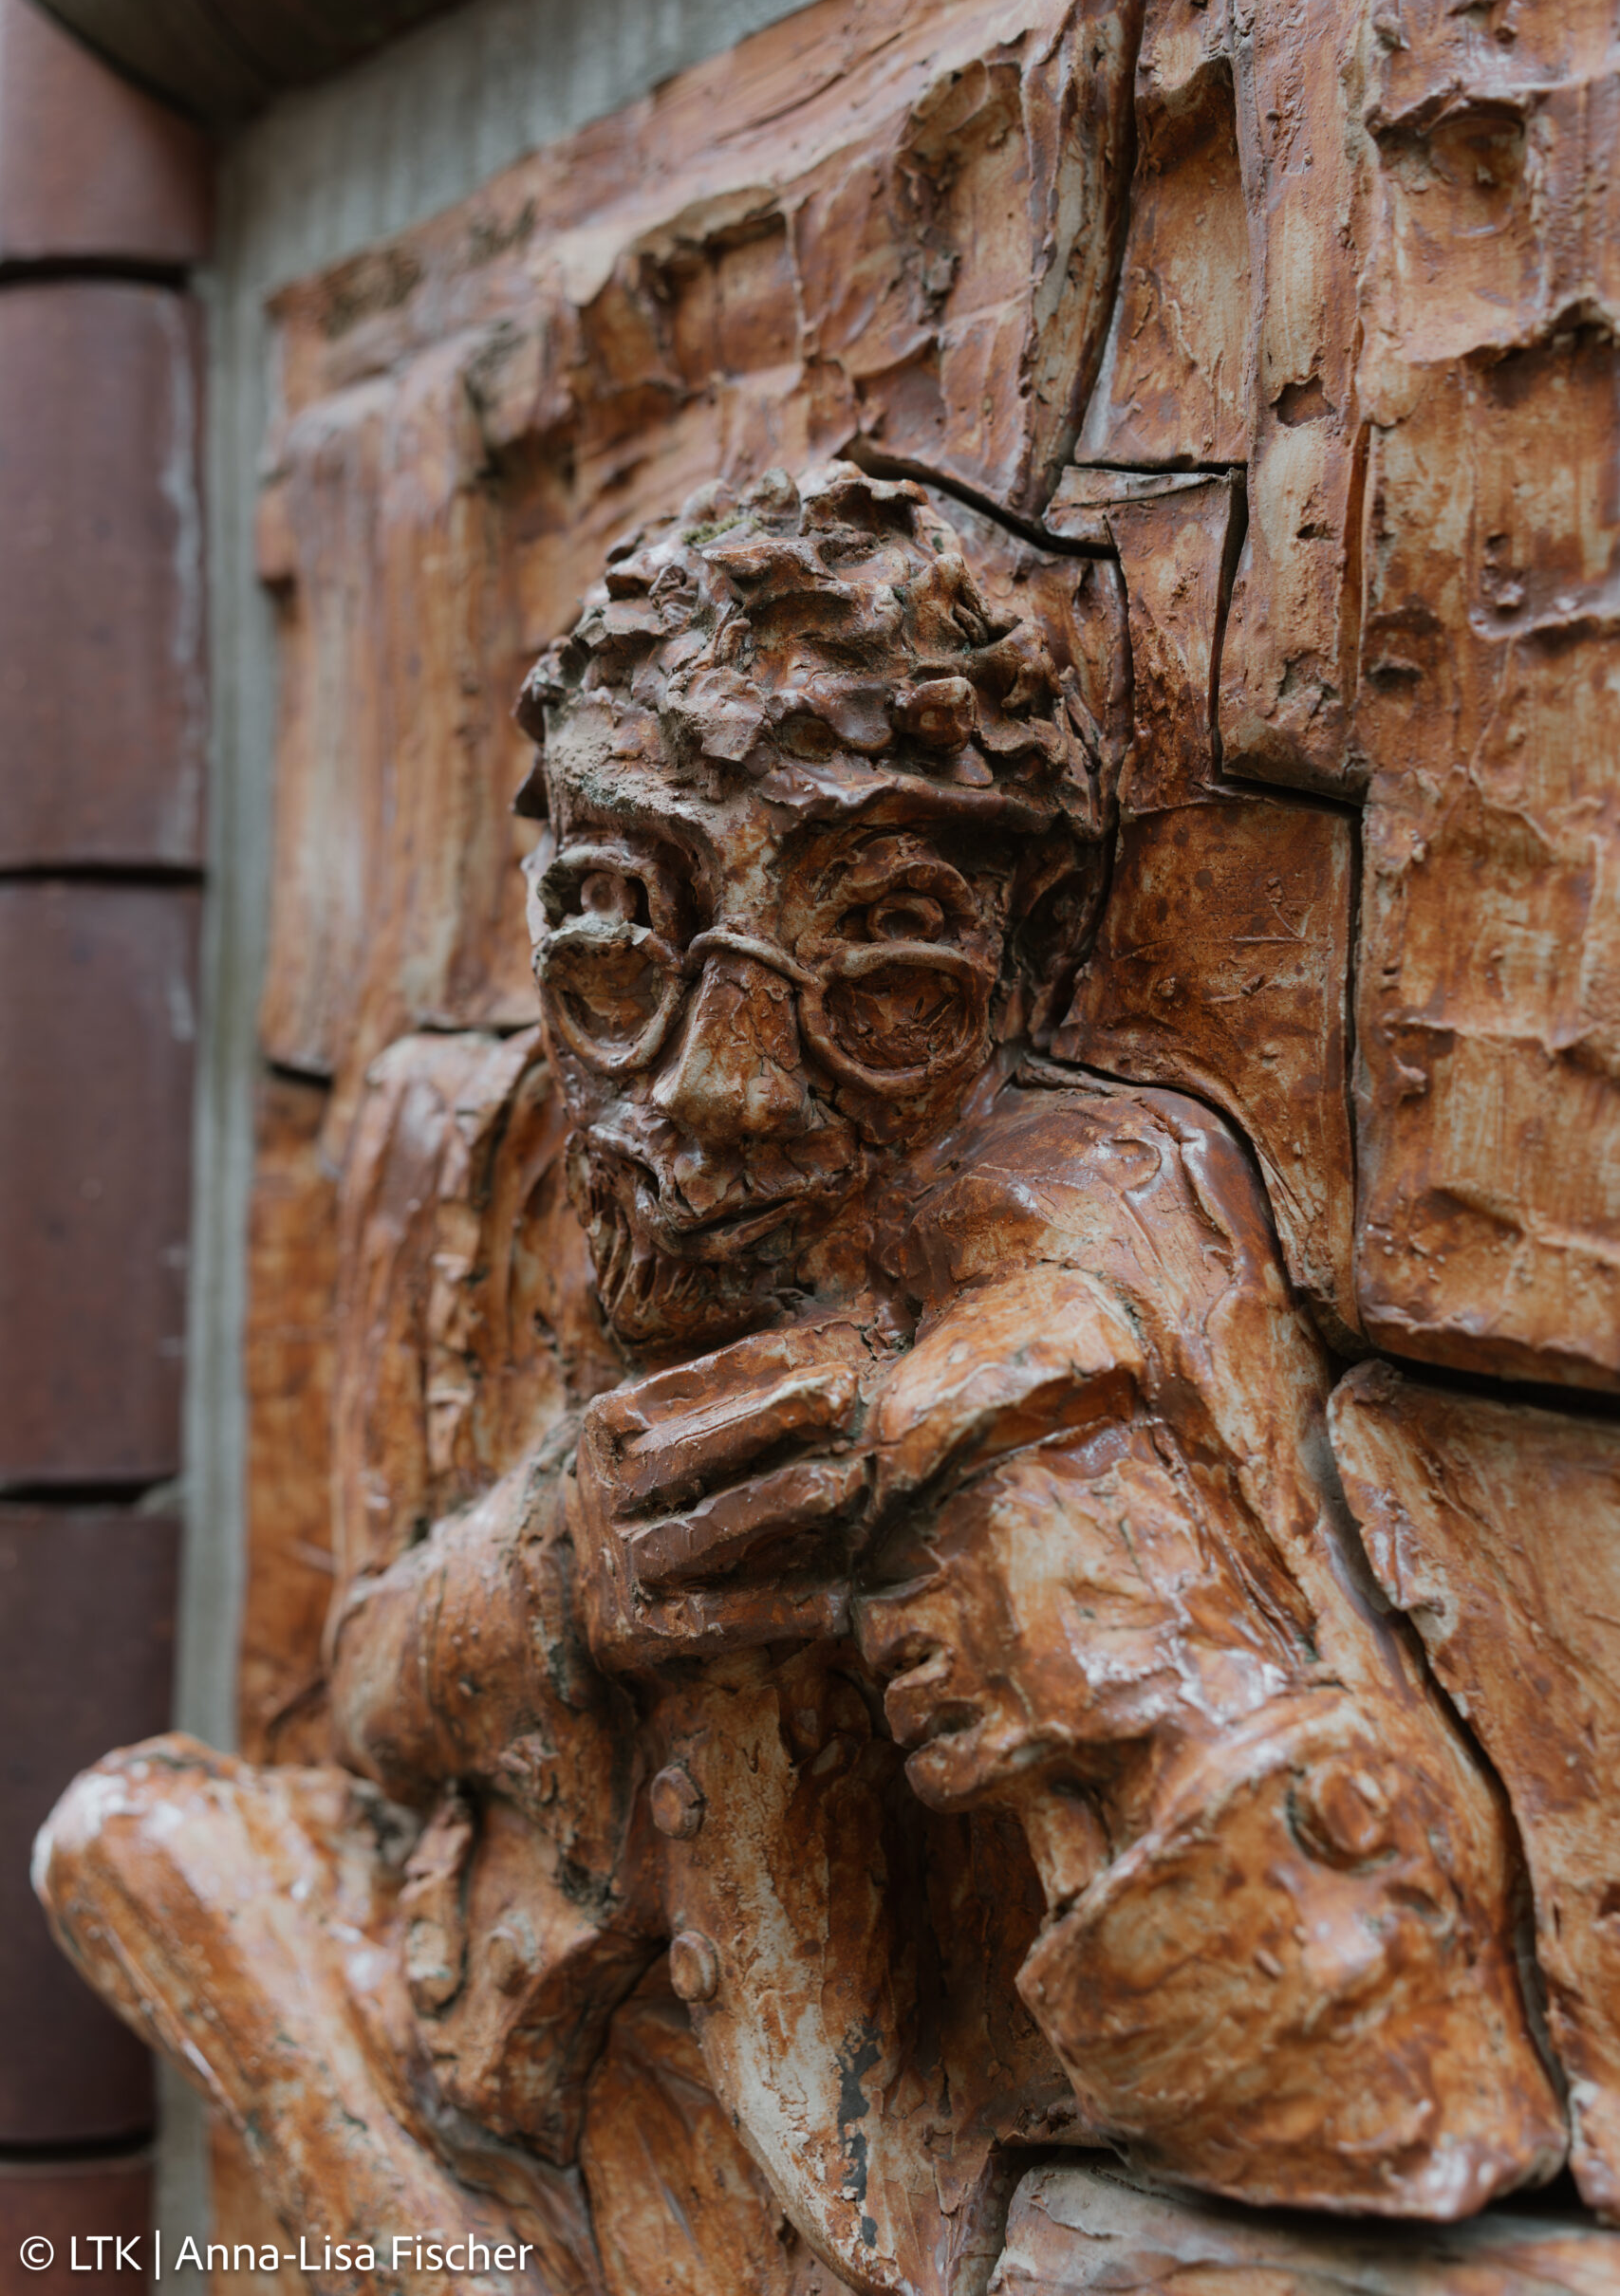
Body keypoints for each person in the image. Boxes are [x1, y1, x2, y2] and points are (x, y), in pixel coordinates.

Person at [37, 467, 1564, 2296]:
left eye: (887, 970)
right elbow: (356, 1702)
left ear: (1023, 969)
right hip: (514, 2073)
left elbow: (1381, 1973)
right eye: (625, 939)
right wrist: (547, 1572)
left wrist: (1124, 1685)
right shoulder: (494, 1162)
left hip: (908, 2168)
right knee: (129, 1836)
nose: (726, 1089)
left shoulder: (1099, 1218)